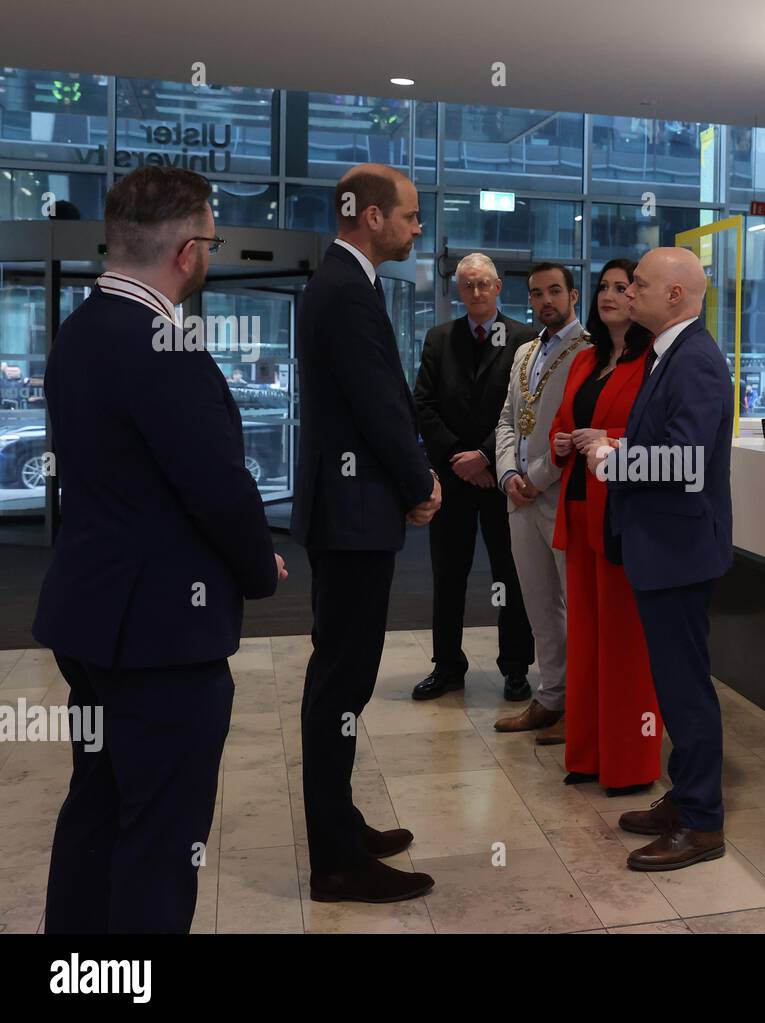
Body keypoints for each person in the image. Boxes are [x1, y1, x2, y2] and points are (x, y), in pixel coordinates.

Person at [32, 165, 285, 933]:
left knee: (97, 811)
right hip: (161, 634)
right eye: (209, 238)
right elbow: (216, 485)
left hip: (94, 616)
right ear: (185, 251)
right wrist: (256, 567)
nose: (209, 252)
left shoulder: (81, 328)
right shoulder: (162, 343)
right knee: (161, 840)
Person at [291, 163, 441, 904]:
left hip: (349, 511)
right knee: (341, 683)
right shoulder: (346, 290)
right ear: (373, 217)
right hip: (353, 516)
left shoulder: (345, 283)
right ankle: (337, 861)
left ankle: (341, 825)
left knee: (341, 679)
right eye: (411, 216)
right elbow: (379, 403)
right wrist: (420, 483)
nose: (418, 228)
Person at [590, 246, 733, 872]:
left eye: (640, 285)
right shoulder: (665, 354)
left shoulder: (695, 360)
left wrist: (612, 460)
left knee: (685, 689)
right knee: (675, 688)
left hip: (678, 551)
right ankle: (686, 797)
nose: (628, 294)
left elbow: (686, 461)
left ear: (675, 295)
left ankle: (702, 821)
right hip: (663, 546)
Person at [550, 259, 661, 795]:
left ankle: (630, 762)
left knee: (624, 641)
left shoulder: (651, 362)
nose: (611, 295)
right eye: (605, 287)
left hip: (618, 509)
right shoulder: (586, 360)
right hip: (576, 503)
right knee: (586, 639)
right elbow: (562, 424)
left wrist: (605, 436)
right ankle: (588, 753)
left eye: (624, 287)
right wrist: (564, 440)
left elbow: (650, 434)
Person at [411, 253, 536, 704]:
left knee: (510, 575)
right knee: (448, 577)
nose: (477, 292)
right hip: (451, 480)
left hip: (500, 477)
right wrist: (458, 458)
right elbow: (423, 404)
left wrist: (484, 457)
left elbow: (526, 409)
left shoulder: (525, 339)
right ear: (458, 290)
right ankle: (447, 667)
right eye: (468, 285)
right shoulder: (440, 338)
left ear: (499, 286)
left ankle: (516, 667)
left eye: (484, 284)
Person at [492, 263, 589, 740]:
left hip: (561, 495)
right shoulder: (525, 351)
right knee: (538, 605)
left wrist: (535, 477)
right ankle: (551, 697)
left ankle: (582, 707)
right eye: (536, 294)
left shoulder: (589, 351)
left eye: (554, 291)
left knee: (577, 603)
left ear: (573, 294)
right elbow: (508, 419)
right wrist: (509, 472)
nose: (545, 301)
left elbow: (572, 432)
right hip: (520, 497)